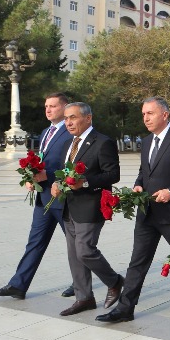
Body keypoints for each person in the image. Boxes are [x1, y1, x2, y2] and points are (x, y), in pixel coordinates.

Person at [96, 97, 170, 324]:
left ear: (164, 114)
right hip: (146, 211)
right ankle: (125, 309)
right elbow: (144, 171)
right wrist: (138, 184)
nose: (145, 118)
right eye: (143, 114)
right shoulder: (147, 141)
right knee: (137, 261)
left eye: (150, 113)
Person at [0, 93, 74, 300]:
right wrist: (31, 176)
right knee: (35, 242)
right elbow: (42, 160)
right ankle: (18, 284)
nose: (48, 110)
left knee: (77, 243)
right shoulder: (45, 132)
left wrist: (49, 176)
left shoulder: (72, 132)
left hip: (62, 198)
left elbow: (72, 165)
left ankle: (88, 281)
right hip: (43, 198)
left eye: (53, 106)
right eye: (46, 106)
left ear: (65, 108)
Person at [51, 102, 123, 316]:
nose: (68, 122)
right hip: (68, 206)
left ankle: (115, 281)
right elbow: (64, 172)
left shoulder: (103, 142)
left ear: (88, 118)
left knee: (85, 250)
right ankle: (84, 298)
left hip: (91, 205)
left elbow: (113, 175)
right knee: (74, 255)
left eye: (73, 117)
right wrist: (57, 183)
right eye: (66, 118)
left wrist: (85, 182)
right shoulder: (67, 144)